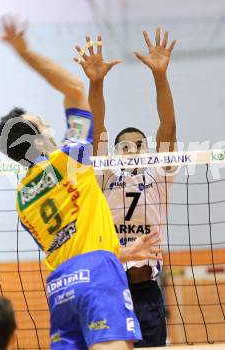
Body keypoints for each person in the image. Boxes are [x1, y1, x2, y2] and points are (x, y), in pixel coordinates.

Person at [0, 16, 162, 350]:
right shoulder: (71, 158)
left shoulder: (22, 198)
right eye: (42, 124)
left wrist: (123, 252)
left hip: (60, 287)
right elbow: (73, 88)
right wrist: (24, 52)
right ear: (38, 141)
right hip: (98, 275)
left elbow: (70, 241)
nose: (49, 125)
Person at [74, 28, 177, 347]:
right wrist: (96, 82)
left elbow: (168, 129)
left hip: (146, 291)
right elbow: (96, 129)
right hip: (110, 289)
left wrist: (160, 76)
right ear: (115, 153)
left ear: (148, 151)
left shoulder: (159, 172)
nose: (132, 150)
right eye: (125, 146)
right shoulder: (104, 172)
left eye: (138, 145)